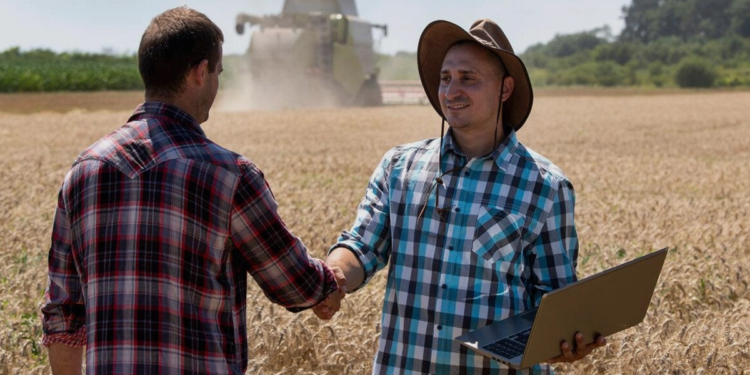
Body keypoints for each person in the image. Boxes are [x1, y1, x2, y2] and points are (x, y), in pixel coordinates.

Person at [40, 7, 344, 375]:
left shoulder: (83, 172)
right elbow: (294, 283)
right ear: (200, 72)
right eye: (217, 72)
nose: (217, 83)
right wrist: (330, 283)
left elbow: (62, 313)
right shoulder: (230, 175)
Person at [313, 19, 606, 374]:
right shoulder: (399, 167)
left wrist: (565, 340)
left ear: (505, 88)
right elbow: (362, 246)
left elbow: (554, 298)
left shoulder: (545, 185)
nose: (452, 90)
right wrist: (334, 276)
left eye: (468, 78)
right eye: (445, 78)